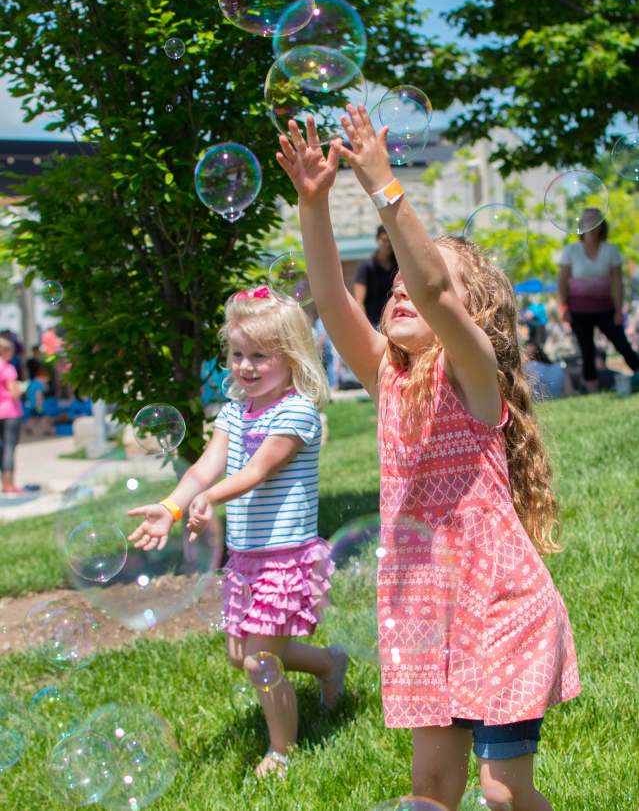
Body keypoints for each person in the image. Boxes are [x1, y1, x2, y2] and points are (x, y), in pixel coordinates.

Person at [276, 107, 581, 811]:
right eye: (396, 286)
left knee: (502, 795)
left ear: (474, 311)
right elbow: (328, 298)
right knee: (430, 792)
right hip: (422, 613)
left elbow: (437, 291)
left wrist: (385, 187)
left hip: (500, 609)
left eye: (424, 280)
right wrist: (313, 205)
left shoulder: (473, 372)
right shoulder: (388, 375)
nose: (403, 290)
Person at [126, 286, 348, 779]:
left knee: (259, 662)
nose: (246, 366)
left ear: (291, 357)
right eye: (238, 354)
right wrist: (172, 507)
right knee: (242, 654)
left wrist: (213, 500)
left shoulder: (297, 412)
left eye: (260, 356)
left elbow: (258, 470)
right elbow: (206, 468)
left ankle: (282, 751)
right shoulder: (233, 411)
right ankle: (329, 664)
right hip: (246, 558)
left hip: (284, 557)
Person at [558, 208, 639, 393]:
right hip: (578, 310)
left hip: (605, 308)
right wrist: (563, 307)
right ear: (581, 225)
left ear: (601, 225)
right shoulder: (570, 251)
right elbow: (562, 282)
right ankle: (592, 390)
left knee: (621, 344)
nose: (590, 223)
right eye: (586, 219)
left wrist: (619, 311)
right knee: (587, 351)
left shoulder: (611, 251)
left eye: (595, 219)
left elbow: (617, 283)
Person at [353, 224, 398, 327]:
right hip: (373, 323)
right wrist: (365, 326)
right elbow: (359, 301)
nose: (387, 244)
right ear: (377, 240)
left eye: (390, 241)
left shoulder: (398, 266)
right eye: (384, 240)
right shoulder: (365, 268)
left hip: (394, 320)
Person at [0, 337, 25, 494]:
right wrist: (21, 389)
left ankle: (4, 484)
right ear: (6, 352)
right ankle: (9, 484)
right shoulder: (8, 369)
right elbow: (14, 393)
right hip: (10, 412)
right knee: (9, 448)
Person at [23, 363, 55, 438]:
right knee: (44, 417)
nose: (47, 381)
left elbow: (27, 394)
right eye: (46, 379)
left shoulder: (32, 383)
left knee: (33, 417)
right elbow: (39, 395)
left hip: (31, 404)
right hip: (38, 405)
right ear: (43, 377)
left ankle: (28, 427)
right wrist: (39, 405)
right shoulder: (39, 384)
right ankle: (47, 430)